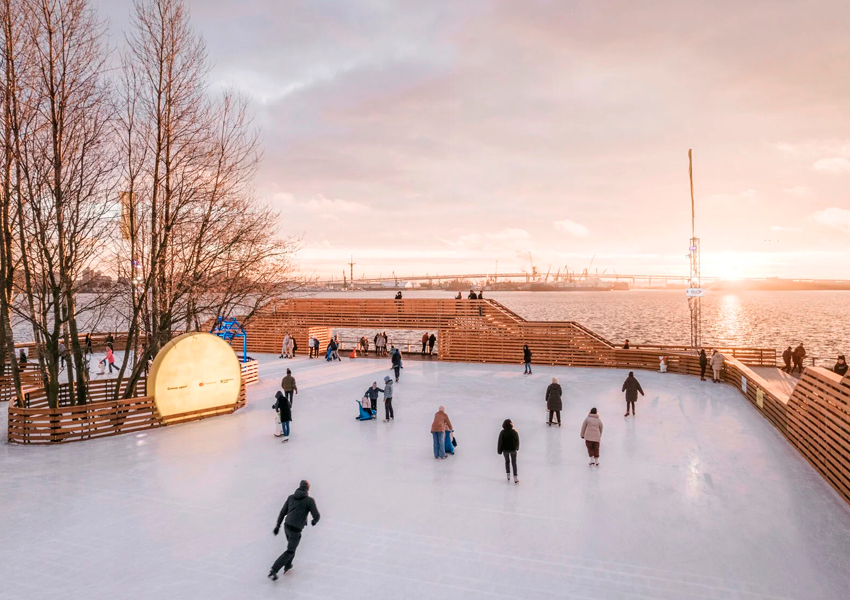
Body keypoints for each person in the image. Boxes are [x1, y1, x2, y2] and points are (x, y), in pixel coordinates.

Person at [269, 480, 320, 580]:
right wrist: (314, 521)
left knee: (292, 546)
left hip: (286, 526)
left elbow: (282, 512)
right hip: (296, 529)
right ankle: (274, 570)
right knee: (290, 551)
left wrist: (277, 526)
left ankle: (288, 565)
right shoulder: (309, 500)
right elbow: (317, 515)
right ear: (308, 489)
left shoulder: (291, 497)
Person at [497, 419, 520, 483]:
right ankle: (515, 477)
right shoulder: (514, 432)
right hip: (513, 450)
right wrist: (517, 447)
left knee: (507, 462)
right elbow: (517, 440)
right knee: (514, 462)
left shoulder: (502, 432)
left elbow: (500, 442)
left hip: (505, 450)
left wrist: (499, 450)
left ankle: (508, 475)